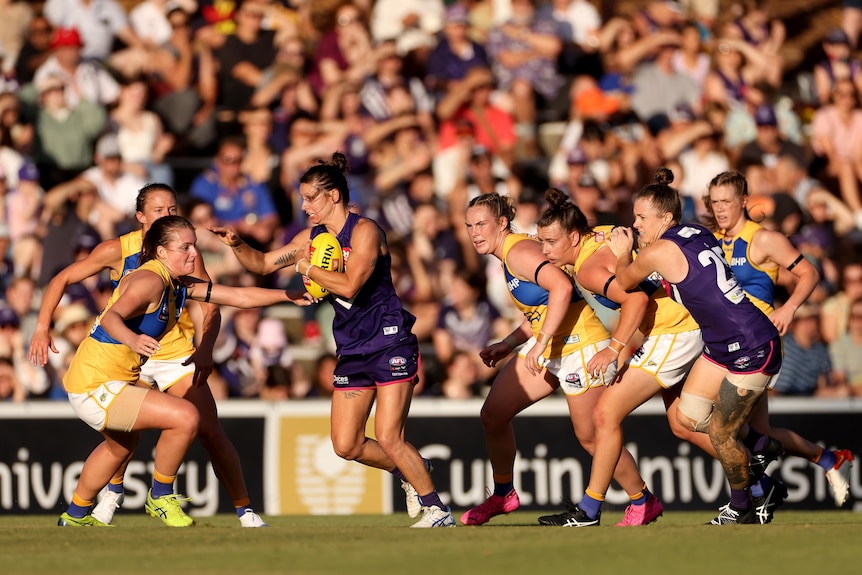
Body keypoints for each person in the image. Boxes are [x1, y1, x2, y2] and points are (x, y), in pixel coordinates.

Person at [210, 152, 455, 528]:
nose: (304, 206)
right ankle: (412, 468)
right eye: (303, 198)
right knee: (346, 445)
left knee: (389, 436)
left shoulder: (365, 232)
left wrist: (307, 268)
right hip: (352, 347)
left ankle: (437, 509)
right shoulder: (309, 238)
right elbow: (260, 264)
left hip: (389, 341)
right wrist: (235, 243)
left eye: (311, 198)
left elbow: (351, 284)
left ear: (334, 196)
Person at [29, 184, 270, 528]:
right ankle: (115, 497)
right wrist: (41, 326)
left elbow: (213, 304)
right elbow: (64, 277)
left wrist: (205, 348)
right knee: (128, 438)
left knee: (209, 430)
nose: (168, 215)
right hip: (129, 352)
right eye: (159, 210)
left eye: (173, 208)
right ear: (141, 217)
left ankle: (244, 511)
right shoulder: (119, 249)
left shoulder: (183, 251)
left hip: (174, 352)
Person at [55, 215, 313, 527]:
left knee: (120, 446)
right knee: (185, 417)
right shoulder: (149, 280)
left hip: (106, 380)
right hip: (94, 382)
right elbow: (112, 318)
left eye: (193, 245)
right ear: (161, 252)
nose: (193, 253)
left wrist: (289, 296)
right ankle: (161, 496)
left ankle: (75, 516)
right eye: (184, 247)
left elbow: (238, 296)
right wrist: (133, 338)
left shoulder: (175, 283)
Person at [605, 168, 782, 525]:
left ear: (666, 218)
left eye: (642, 217)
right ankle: (764, 447)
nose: (635, 223)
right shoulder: (697, 231)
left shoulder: (659, 251)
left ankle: (742, 506)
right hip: (721, 344)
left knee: (720, 432)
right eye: (635, 216)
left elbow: (624, 280)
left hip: (751, 344)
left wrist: (623, 252)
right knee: (687, 417)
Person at [458, 192, 647, 526]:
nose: (474, 232)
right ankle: (504, 494)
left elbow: (561, 287)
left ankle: (643, 500)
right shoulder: (509, 256)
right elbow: (541, 308)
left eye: (481, 224)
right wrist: (511, 342)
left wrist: (539, 344)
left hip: (580, 347)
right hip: (552, 349)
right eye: (469, 225)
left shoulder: (519, 251)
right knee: (494, 415)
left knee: (591, 437)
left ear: (502, 223)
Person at [532, 187, 704, 527]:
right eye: (541, 242)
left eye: (551, 242)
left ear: (575, 237)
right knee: (683, 423)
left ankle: (591, 509)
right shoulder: (606, 235)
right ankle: (754, 478)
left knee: (604, 414)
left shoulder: (586, 270)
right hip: (670, 329)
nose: (544, 250)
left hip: (673, 330)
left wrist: (614, 349)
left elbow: (637, 302)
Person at [701, 170, 853, 506]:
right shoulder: (711, 238)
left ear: (744, 200)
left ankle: (755, 491)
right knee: (757, 433)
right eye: (715, 203)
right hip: (724, 344)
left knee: (710, 422)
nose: (721, 208)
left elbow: (808, 273)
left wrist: (789, 309)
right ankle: (826, 460)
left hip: (757, 344)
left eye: (727, 201)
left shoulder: (764, 239)